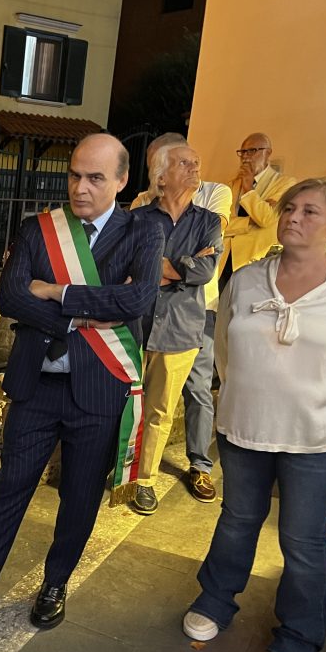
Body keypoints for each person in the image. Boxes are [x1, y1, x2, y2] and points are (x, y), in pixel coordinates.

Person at [0, 133, 163, 633]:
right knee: (10, 488)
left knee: (80, 495)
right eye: (74, 174)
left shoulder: (143, 233)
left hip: (99, 389)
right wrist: (83, 314)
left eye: (95, 177)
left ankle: (55, 582)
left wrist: (55, 292)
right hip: (38, 387)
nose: (81, 187)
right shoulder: (38, 229)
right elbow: (11, 298)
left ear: (121, 180)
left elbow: (137, 303)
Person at [183, 179, 326, 652]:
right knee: (237, 519)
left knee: (301, 540)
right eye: (289, 208)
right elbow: (224, 346)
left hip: (320, 437)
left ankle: (298, 639)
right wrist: (243, 395)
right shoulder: (249, 280)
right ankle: (215, 600)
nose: (294, 218)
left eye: (310, 212)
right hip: (246, 426)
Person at [128, 144, 222, 514]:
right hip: (135, 323)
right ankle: (117, 468)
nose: (195, 167)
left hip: (180, 329)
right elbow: (130, 265)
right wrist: (179, 267)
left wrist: (159, 267)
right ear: (161, 177)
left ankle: (143, 480)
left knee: (160, 409)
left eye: (197, 162)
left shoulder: (208, 222)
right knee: (123, 403)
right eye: (185, 163)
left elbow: (206, 271)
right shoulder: (139, 218)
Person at [221, 133, 296, 278]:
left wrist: (249, 189)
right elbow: (220, 224)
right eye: (242, 152)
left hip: (254, 260)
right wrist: (250, 221)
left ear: (268, 153)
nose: (245, 157)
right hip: (224, 257)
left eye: (252, 151)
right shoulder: (230, 185)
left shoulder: (285, 184)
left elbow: (266, 219)